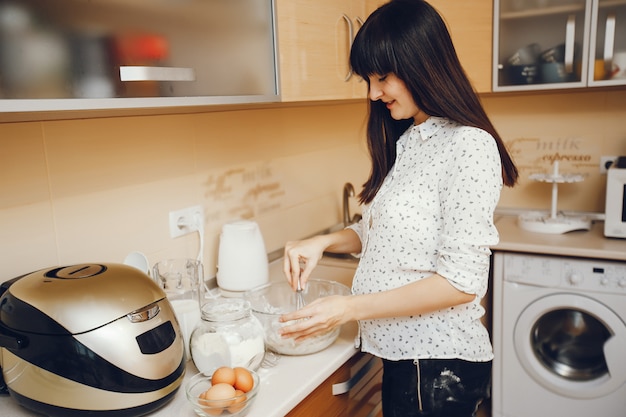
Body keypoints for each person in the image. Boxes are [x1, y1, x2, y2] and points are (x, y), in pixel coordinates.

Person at [280, 1, 518, 416]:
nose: (373, 93)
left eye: (382, 77)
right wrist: (323, 242)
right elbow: (384, 230)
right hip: (404, 357)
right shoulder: (412, 138)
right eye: (369, 80)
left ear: (422, 63)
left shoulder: (468, 145)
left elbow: (460, 283)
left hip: (436, 367)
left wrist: (348, 308)